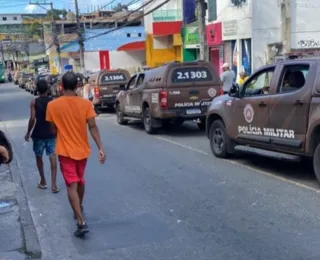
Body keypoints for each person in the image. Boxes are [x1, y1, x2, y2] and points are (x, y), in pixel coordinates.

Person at [46, 71, 106, 238]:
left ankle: (81, 222)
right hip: (82, 150)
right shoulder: (86, 104)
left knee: (71, 185)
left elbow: (52, 130)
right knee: (80, 180)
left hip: (65, 151)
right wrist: (100, 147)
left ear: (61, 86)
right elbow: (92, 126)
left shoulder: (53, 105)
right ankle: (79, 208)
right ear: (78, 86)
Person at [25, 80, 59, 193]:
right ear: (47, 89)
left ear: (37, 90)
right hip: (51, 133)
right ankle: (54, 184)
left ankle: (43, 181)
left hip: (38, 133)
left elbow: (32, 119)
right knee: (52, 156)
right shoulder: (53, 102)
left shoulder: (34, 102)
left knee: (39, 156)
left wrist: (28, 132)